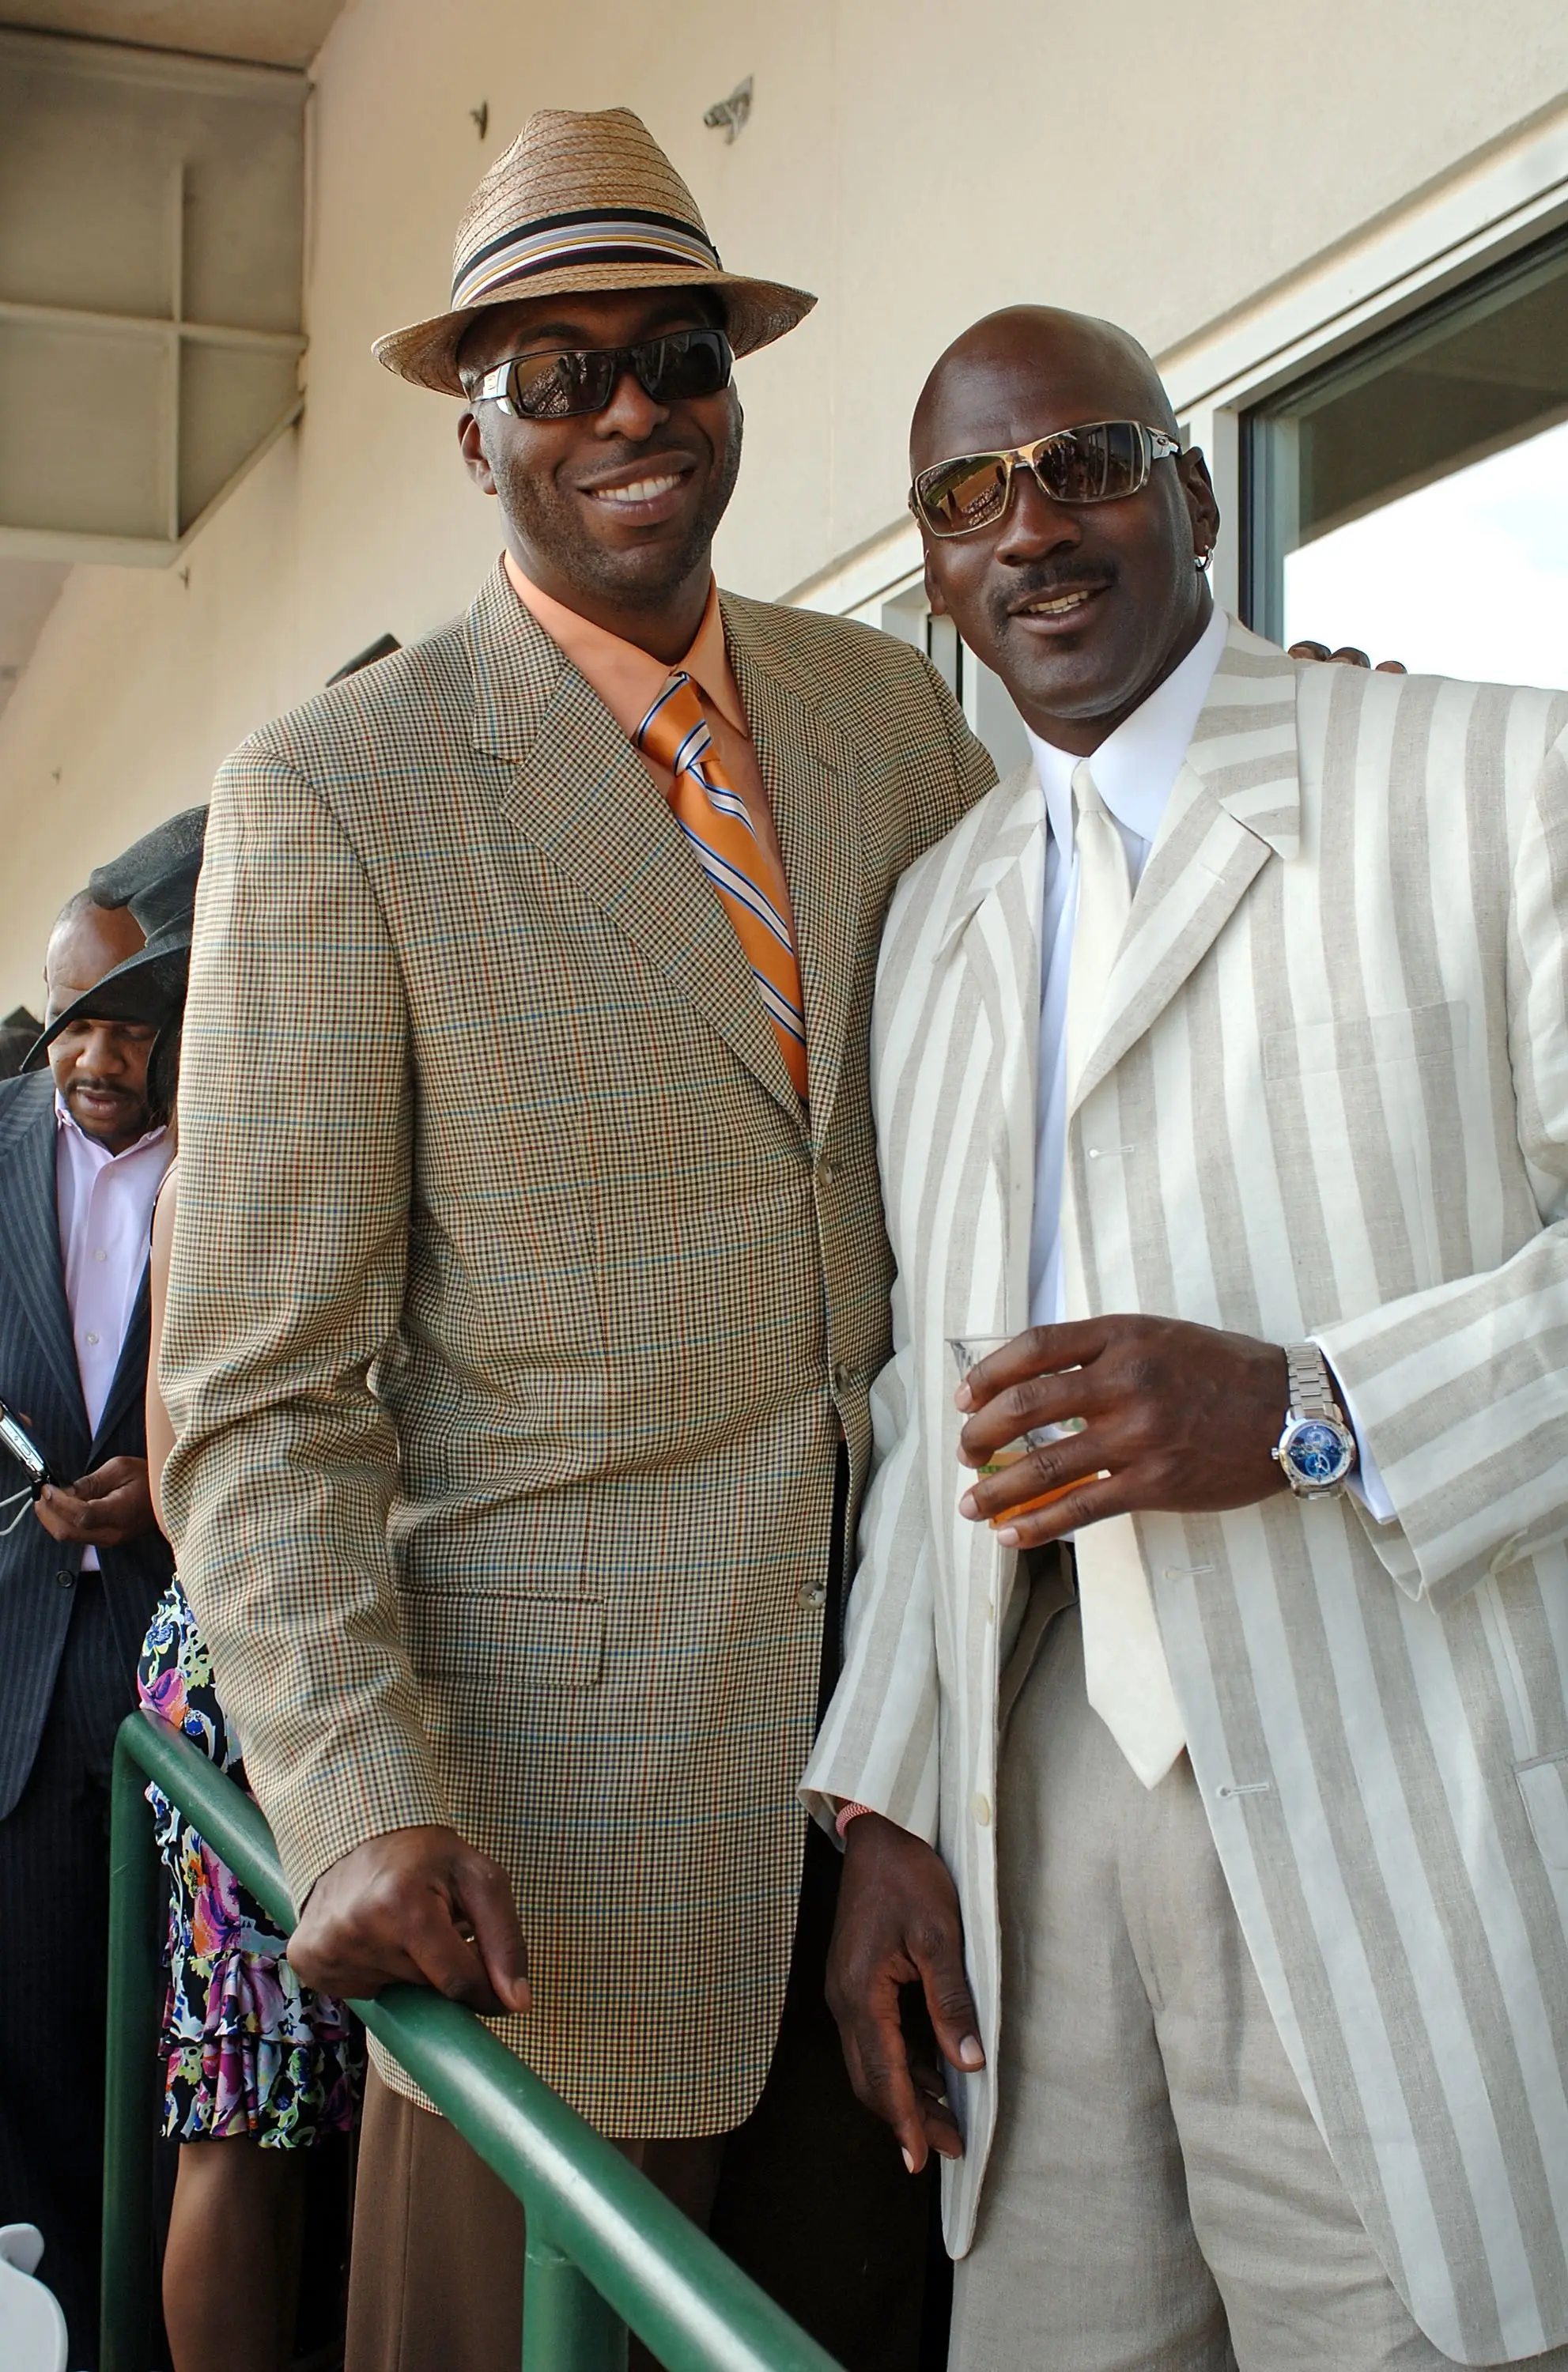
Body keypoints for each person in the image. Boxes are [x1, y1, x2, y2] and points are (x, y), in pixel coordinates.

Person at [159, 105, 995, 2371]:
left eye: (679, 354)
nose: (633, 411)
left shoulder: (883, 715)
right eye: (559, 373)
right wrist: (349, 1799)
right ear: (473, 427)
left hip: (916, 1770)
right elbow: (254, 1390)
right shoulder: (341, 791)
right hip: (550, 1852)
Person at [805, 304, 1568, 2372]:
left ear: (1194, 495)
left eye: (1084, 464)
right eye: (968, 497)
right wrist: (885, 1805)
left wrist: (1313, 1414)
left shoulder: (1491, 776)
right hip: (1036, 1799)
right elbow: (917, 1396)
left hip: (1388, 1768)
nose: (1029, 528)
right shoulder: (935, 921)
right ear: (930, 568)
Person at [60, 809, 362, 2372]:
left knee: (260, 2118)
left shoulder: (225, 1144)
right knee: (240, 2117)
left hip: (249, 1641)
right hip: (259, 1660)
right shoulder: (243, 1151)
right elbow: (195, 1471)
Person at [0, 886, 175, 2362]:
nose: (96, 1056)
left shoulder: (246, 1151)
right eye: (72, 1025)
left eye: (126, 1022)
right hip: (15, 1675)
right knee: (35, 2046)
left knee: (182, 2068)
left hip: (187, 1690)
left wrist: (170, 1488)